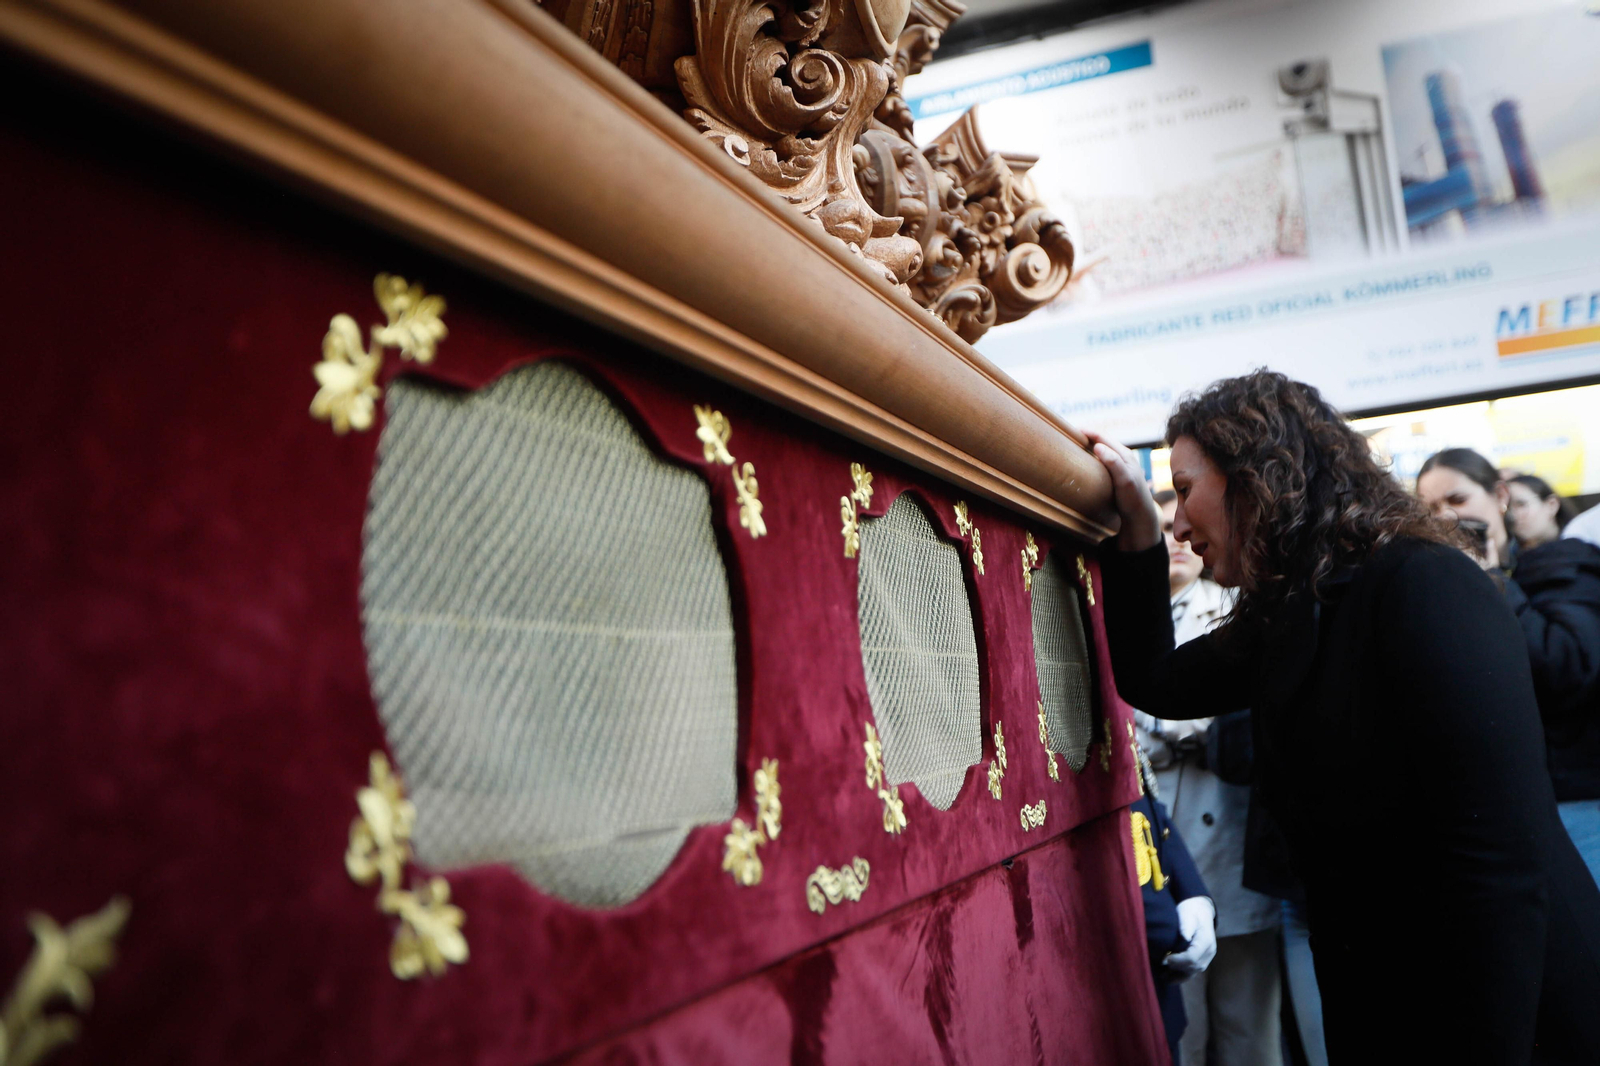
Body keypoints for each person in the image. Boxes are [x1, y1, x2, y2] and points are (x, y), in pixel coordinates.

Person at [1086, 370, 1600, 1064]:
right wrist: (1138, 536)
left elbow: (1502, 868)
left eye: (1182, 492)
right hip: (1384, 997)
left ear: (1256, 473)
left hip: (1506, 1008)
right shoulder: (1291, 612)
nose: (1179, 522)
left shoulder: (1425, 582)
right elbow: (1156, 681)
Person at [1136, 490, 1282, 1066]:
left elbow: (1222, 722)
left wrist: (1172, 727)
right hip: (1165, 855)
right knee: (1184, 1028)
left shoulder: (1235, 610)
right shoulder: (1123, 619)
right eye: (1162, 529)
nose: (1176, 541)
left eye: (1184, 528)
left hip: (1229, 841)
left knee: (1248, 1029)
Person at [1417, 449, 1600, 883]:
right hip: (1491, 817)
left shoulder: (1565, 566)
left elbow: (1565, 666)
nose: (1445, 517)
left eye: (1457, 500)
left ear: (1499, 495)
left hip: (1574, 803)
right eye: (1430, 510)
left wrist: (1492, 578)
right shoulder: (1430, 590)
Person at [1131, 752, 1217, 1066]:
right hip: (1116, 973)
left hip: (1157, 984)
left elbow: (1144, 794)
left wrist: (1191, 892)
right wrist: (1165, 928)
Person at [1505, 474, 1574, 551]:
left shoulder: (1581, 550)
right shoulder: (1510, 556)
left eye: (1521, 505)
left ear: (1552, 505)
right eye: (1507, 508)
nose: (1512, 515)